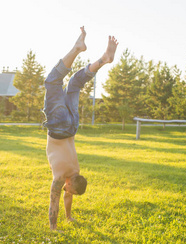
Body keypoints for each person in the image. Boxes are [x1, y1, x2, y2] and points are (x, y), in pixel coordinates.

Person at [43, 26, 118, 230]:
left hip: (73, 125)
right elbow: (54, 201)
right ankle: (77, 48)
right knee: (52, 82)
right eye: (70, 190)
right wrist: (53, 226)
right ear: (70, 184)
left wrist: (69, 217)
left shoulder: (76, 171)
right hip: (59, 128)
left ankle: (103, 59)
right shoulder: (60, 179)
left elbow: (68, 195)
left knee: (75, 82)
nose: (68, 193)